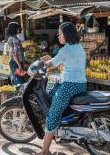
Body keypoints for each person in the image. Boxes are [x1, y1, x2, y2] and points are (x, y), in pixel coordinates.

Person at [36, 22, 87, 155]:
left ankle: (45, 150)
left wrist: (43, 61)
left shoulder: (65, 49)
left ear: (66, 34)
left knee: (52, 115)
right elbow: (68, 64)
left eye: (60, 33)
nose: (58, 36)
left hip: (70, 85)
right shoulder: (79, 47)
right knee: (52, 90)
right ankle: (63, 121)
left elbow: (52, 63)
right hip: (81, 84)